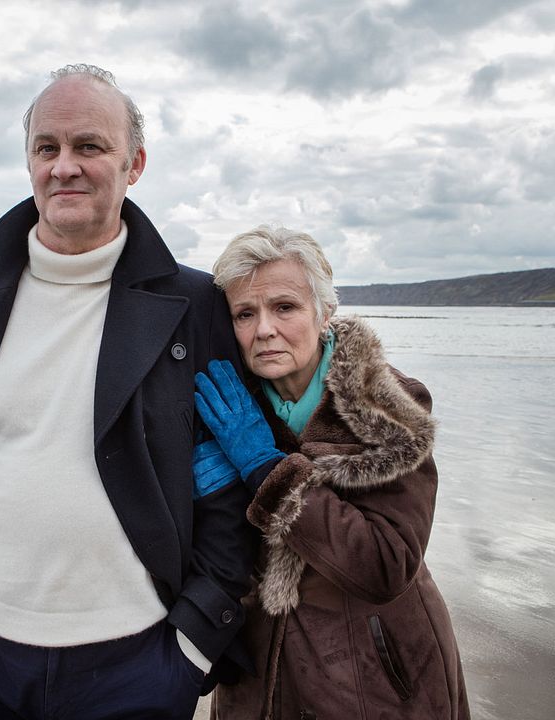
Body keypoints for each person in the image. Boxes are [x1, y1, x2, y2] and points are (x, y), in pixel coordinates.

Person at [0, 64, 255, 720]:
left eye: (89, 146)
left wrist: (192, 645)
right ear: (29, 162)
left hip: (144, 663)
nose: (64, 166)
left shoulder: (193, 304)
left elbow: (230, 488)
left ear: (135, 163)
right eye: (47, 148)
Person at [191, 226, 470, 719]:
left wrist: (265, 468)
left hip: (372, 680)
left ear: (324, 313)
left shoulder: (385, 406)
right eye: (244, 313)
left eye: (285, 307)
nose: (264, 330)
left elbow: (386, 565)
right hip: (258, 679)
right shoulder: (229, 410)